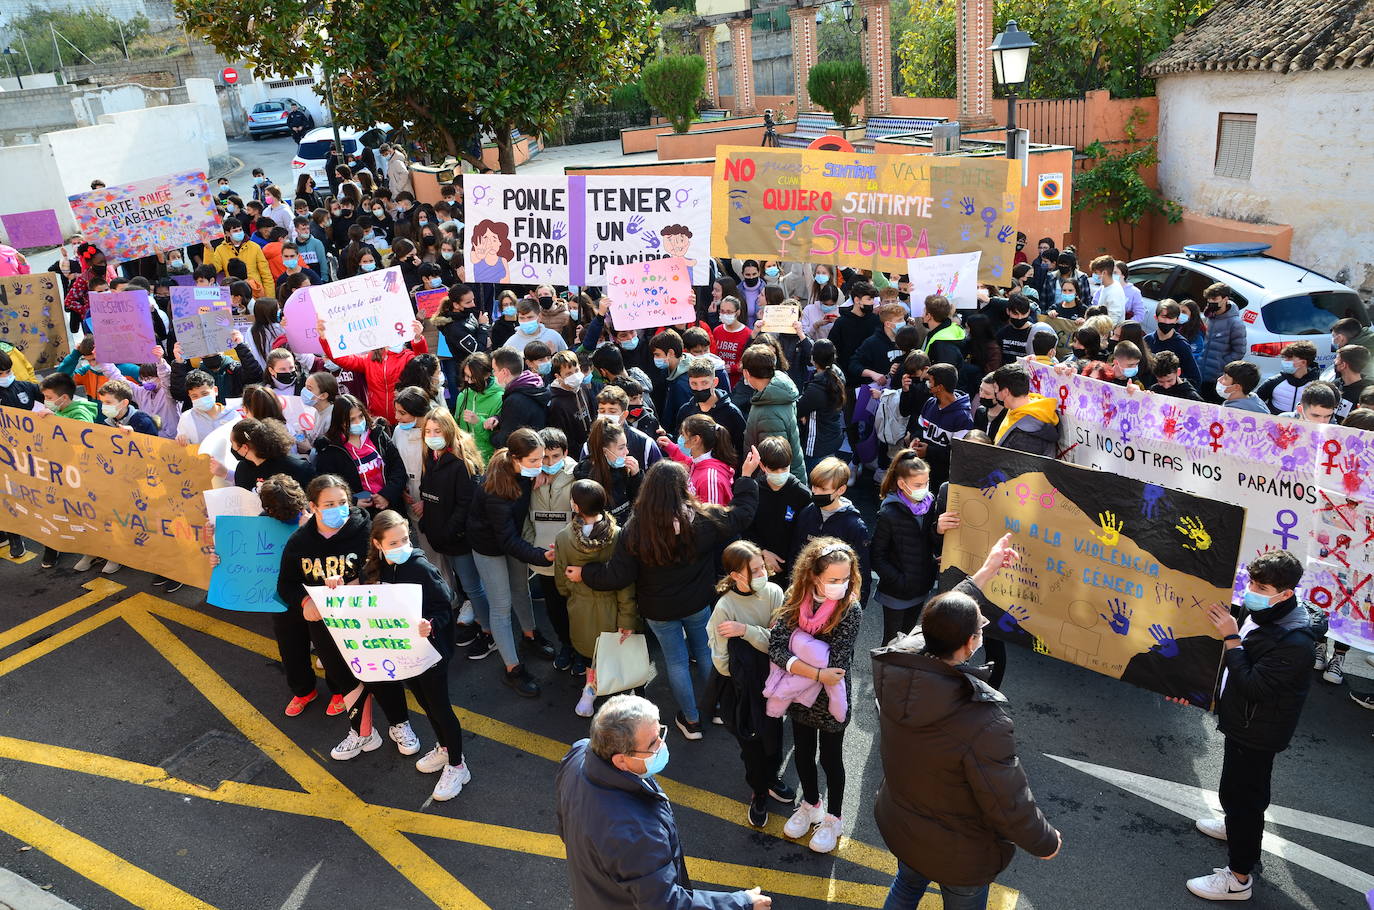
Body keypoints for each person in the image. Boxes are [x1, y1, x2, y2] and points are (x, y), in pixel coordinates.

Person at [872, 533, 1061, 910]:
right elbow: (1007, 800)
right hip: (957, 852)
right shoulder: (983, 720)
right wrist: (1046, 842)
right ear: (970, 644)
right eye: (979, 628)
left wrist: (988, 569)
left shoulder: (896, 661)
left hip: (903, 823)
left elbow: (938, 617)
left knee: (906, 888)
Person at [572, 455, 761, 740]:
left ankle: (693, 721)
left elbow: (617, 576)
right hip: (698, 603)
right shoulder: (703, 520)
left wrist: (585, 572)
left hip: (659, 611)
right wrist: (745, 478)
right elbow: (741, 514)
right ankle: (718, 706)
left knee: (676, 663)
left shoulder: (635, 530)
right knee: (707, 652)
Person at [1175, 551, 1320, 902]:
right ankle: (1233, 827)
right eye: (1251, 582)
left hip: (1258, 731)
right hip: (1243, 722)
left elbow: (1254, 684)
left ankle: (1238, 878)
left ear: (1286, 594)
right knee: (1236, 791)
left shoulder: (1296, 642)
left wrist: (1231, 637)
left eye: (1262, 586)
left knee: (1245, 799)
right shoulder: (1263, 611)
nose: (1251, 590)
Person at [555, 694, 773, 909]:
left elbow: (565, 827)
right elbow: (666, 903)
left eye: (660, 733)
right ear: (621, 760)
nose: (661, 745)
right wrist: (742, 903)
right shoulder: (636, 831)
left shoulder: (580, 753)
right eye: (652, 743)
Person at [275, 474, 416, 754]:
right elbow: (285, 584)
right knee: (344, 677)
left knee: (381, 674)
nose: (338, 509)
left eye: (342, 502)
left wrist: (360, 581)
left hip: (368, 620)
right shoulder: (299, 542)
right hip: (326, 626)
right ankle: (362, 732)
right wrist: (305, 602)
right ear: (313, 506)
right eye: (328, 504)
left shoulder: (364, 529)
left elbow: (385, 564)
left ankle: (400, 724)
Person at [364, 509, 472, 801]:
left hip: (430, 652)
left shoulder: (420, 567)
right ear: (378, 544)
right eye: (394, 543)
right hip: (403, 654)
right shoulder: (374, 571)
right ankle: (444, 747)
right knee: (425, 704)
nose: (402, 547)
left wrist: (431, 625)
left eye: (405, 539)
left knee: (440, 707)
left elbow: (444, 604)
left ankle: (457, 765)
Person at [771, 537, 864, 854]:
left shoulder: (850, 609)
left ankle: (833, 819)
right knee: (802, 754)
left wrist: (797, 653)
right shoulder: (795, 598)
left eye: (846, 578)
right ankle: (810, 805)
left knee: (830, 759)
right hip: (799, 696)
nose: (842, 585)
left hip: (830, 700)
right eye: (834, 579)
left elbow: (836, 665)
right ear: (812, 576)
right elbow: (776, 647)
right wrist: (815, 671)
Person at [468, 428, 558, 697]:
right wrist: (541, 555)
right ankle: (512, 668)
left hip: (511, 539)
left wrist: (537, 474)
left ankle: (530, 636)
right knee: (501, 605)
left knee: (522, 590)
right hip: (489, 547)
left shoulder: (523, 473)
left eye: (542, 459)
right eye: (534, 461)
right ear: (515, 459)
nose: (540, 465)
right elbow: (506, 542)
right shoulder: (495, 491)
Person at [705, 540, 790, 826]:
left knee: (774, 736)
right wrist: (744, 677)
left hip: (774, 682)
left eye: (761, 567)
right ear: (735, 576)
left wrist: (745, 632)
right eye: (753, 570)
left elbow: (780, 643)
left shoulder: (775, 593)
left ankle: (771, 778)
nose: (761, 573)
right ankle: (759, 790)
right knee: (751, 741)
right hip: (740, 688)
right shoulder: (725, 607)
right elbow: (719, 657)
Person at [556, 479, 638, 714]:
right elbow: (624, 582)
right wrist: (627, 619)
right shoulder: (618, 536)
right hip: (613, 609)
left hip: (580, 608)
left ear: (575, 506)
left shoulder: (564, 538)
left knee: (592, 658)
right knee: (614, 655)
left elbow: (561, 582)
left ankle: (588, 694)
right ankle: (618, 700)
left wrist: (573, 593)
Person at [871, 450, 940, 645]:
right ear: (902, 484)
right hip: (896, 592)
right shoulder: (888, 513)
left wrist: (938, 531)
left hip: (920, 588)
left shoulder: (930, 504)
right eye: (918, 485)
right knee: (892, 642)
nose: (924, 489)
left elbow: (930, 542)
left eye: (926, 483)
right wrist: (900, 581)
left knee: (907, 640)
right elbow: (877, 556)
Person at [525, 427, 578, 670]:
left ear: (565, 453)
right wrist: (533, 545)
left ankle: (582, 651)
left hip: (572, 560)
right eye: (544, 457)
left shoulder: (578, 476)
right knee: (555, 610)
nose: (549, 463)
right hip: (543, 560)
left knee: (576, 609)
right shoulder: (529, 475)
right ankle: (566, 645)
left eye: (556, 457)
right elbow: (525, 518)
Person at [789, 457, 872, 607]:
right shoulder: (806, 513)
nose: (816, 492)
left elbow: (862, 572)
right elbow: (795, 554)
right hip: (805, 595)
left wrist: (857, 607)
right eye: (814, 486)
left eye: (823, 489)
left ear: (841, 490)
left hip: (836, 602)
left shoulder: (854, 527)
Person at [317, 317, 428, 425]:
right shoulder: (370, 359)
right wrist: (325, 339)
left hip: (404, 419)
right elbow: (343, 360)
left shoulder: (407, 357)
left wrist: (418, 339)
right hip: (377, 419)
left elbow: (423, 364)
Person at [311, 394, 408, 513]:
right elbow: (327, 485)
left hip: (390, 506)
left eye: (361, 416)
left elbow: (398, 467)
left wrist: (387, 494)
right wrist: (353, 500)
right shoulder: (330, 449)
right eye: (351, 419)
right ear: (340, 421)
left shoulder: (377, 434)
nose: (358, 422)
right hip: (359, 513)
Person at [740, 345, 805, 482]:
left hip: (775, 487)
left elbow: (774, 464)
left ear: (746, 373)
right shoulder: (777, 390)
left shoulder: (768, 413)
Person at [912, 363, 973, 492]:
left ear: (939, 387)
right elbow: (919, 427)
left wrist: (929, 452)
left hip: (941, 481)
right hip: (921, 471)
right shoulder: (930, 403)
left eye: (930, 381)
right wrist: (915, 438)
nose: (927, 384)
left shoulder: (963, 418)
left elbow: (957, 454)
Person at [675, 357, 746, 467]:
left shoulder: (731, 413)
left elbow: (741, 449)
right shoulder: (686, 411)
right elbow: (681, 443)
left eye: (704, 383)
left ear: (715, 382)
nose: (699, 389)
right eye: (694, 383)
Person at [990, 364, 1060, 458]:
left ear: (1006, 392)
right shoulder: (1017, 409)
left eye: (995, 388)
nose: (995, 394)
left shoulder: (1027, 433)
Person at [226, 418, 315, 491]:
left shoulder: (298, 468)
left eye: (232, 442)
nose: (232, 448)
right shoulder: (242, 470)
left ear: (245, 447)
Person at [796, 339, 846, 470]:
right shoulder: (837, 374)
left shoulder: (817, 387)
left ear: (813, 359)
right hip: (833, 435)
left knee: (816, 483)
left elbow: (798, 410)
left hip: (818, 443)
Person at [490, 347, 548, 449]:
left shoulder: (514, 400)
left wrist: (491, 436)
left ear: (504, 372)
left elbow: (507, 440)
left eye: (494, 370)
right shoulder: (534, 385)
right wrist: (499, 418)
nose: (493, 374)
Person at [1200, 283, 1249, 388]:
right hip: (1200, 372)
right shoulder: (1209, 316)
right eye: (1209, 299)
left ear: (1225, 299)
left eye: (1214, 299)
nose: (1211, 302)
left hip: (1217, 378)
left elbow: (1239, 352)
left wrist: (1221, 365)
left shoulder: (1235, 323)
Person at [1144, 300, 1202, 386]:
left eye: (1171, 318)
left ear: (1177, 320)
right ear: (1156, 317)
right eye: (1164, 317)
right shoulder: (1147, 340)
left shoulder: (1181, 345)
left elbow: (1194, 379)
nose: (1167, 322)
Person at [1255, 341, 1319, 414]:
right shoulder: (1274, 381)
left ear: (1303, 362)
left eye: (1289, 358)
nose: (1284, 361)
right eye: (1284, 358)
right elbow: (1255, 401)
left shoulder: (1316, 386)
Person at [1329, 344, 1371, 418]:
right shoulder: (1335, 385)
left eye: (1337, 358)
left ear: (1343, 365)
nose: (1334, 361)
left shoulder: (1367, 393)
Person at [1089, 254, 1126, 323]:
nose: (1094, 275)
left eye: (1096, 272)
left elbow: (1113, 319)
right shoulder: (1105, 287)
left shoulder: (1114, 291)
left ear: (1104, 272)